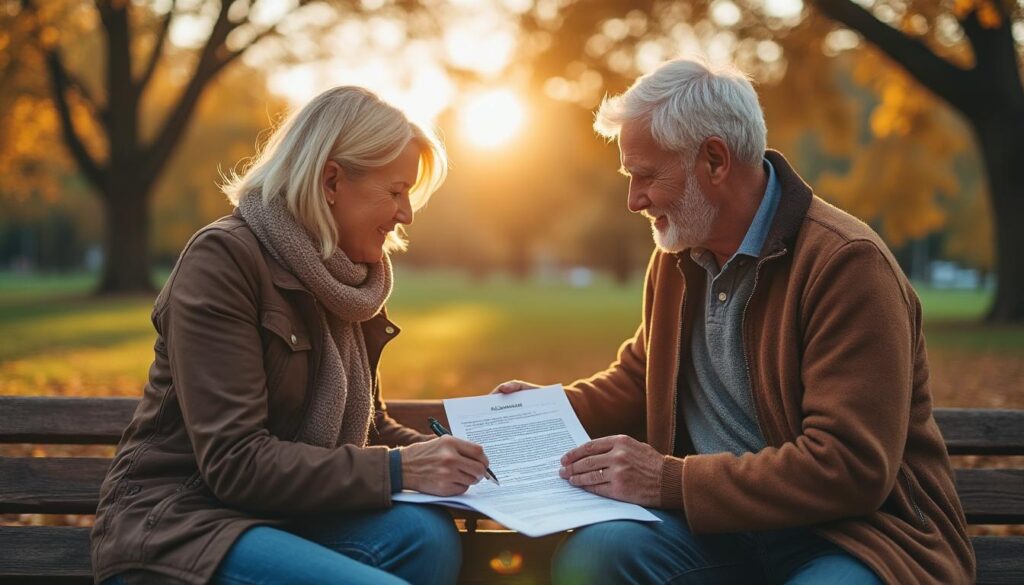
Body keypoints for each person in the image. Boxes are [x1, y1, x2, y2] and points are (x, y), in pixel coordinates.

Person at [494, 57, 975, 584]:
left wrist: (671, 482)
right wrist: (539, 413)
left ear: (715, 161)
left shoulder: (847, 264)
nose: (634, 200)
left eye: (646, 176)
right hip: (717, 529)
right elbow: (641, 377)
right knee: (595, 557)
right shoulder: (679, 254)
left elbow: (850, 466)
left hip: (855, 537)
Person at [91, 87, 490, 585]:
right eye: (395, 191)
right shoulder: (224, 260)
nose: (406, 214)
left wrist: (467, 454)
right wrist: (400, 469)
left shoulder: (350, 279)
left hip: (287, 519)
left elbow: (371, 428)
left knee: (425, 534)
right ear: (330, 181)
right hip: (185, 527)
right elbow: (235, 462)